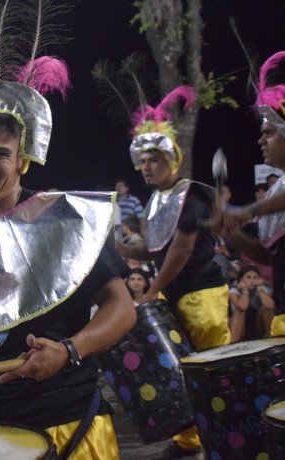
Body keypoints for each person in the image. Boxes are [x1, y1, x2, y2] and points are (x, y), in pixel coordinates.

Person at [0, 49, 135, 456]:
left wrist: (71, 350)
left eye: (0, 153)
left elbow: (122, 310)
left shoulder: (66, 220)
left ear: (22, 160)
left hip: (72, 422)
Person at [115, 85, 230, 458]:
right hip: (174, 292)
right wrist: (113, 246)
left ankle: (227, 436)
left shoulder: (192, 193)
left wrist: (151, 292)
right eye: (142, 162)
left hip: (201, 293)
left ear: (171, 159)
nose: (145, 167)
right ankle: (191, 439)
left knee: (209, 368)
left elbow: (179, 251)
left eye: (153, 160)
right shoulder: (155, 202)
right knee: (181, 370)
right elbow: (151, 249)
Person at [220, 51, 285, 338]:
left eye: (269, 133)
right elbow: (265, 256)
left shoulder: (271, 198)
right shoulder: (276, 190)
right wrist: (232, 230)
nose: (260, 140)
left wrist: (249, 210)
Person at [228, 265, 274, 342]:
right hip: (241, 328)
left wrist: (260, 288)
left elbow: (270, 305)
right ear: (241, 279)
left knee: (265, 309)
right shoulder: (234, 291)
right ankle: (233, 344)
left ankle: (273, 340)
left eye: (255, 277)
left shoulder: (261, 289)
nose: (252, 280)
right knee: (240, 311)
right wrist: (245, 290)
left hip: (257, 326)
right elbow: (242, 307)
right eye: (248, 277)